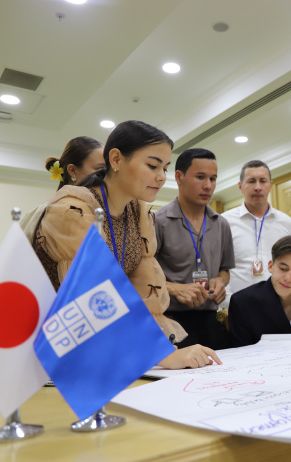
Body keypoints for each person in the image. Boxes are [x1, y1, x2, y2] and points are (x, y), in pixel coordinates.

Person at [33, 120, 221, 370]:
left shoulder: (137, 210)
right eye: (153, 165)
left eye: (165, 168)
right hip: (57, 350)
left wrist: (160, 348)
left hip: (108, 346)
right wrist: (159, 355)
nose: (161, 177)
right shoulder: (71, 209)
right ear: (116, 159)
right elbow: (90, 295)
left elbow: (146, 292)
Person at [155, 148, 235, 350]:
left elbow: (225, 269)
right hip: (170, 320)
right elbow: (141, 279)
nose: (208, 186)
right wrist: (175, 289)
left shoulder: (221, 224)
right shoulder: (158, 221)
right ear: (179, 177)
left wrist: (220, 281)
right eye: (200, 177)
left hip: (211, 319)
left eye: (213, 179)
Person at [221, 160, 291, 308]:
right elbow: (216, 267)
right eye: (251, 181)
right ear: (240, 186)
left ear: (270, 185)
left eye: (263, 181)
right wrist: (229, 302)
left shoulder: (286, 222)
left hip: (280, 308)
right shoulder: (224, 222)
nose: (258, 187)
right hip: (237, 308)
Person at [21, 136, 105, 241]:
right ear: (73, 170)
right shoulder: (63, 212)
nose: (107, 175)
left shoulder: (105, 211)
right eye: (100, 169)